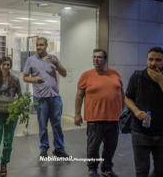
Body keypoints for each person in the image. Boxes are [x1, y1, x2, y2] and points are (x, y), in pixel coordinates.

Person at [74, 49, 124, 177]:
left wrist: (122, 111)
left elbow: (121, 94)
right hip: (95, 118)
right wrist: (77, 114)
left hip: (113, 118)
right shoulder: (86, 75)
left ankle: (106, 168)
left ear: (105, 60)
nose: (96, 59)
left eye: (99, 57)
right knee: (93, 147)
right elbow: (79, 96)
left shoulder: (115, 74)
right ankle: (92, 169)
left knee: (110, 146)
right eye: (94, 57)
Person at [22, 37, 68, 158]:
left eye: (41, 45)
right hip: (40, 98)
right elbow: (25, 77)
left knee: (57, 124)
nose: (38, 47)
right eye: (37, 45)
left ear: (46, 45)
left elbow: (64, 73)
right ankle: (44, 148)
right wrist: (35, 80)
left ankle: (59, 149)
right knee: (42, 125)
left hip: (55, 96)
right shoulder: (30, 60)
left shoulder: (53, 59)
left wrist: (56, 63)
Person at [125, 47, 163, 177]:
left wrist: (161, 81)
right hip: (140, 132)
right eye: (150, 59)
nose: (153, 63)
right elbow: (127, 98)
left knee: (161, 170)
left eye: (158, 60)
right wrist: (136, 111)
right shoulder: (137, 76)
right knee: (142, 170)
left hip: (161, 132)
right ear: (146, 60)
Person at [0, 56, 22, 176]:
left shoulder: (15, 80)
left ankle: (4, 164)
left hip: (11, 115)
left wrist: (20, 106)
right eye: (4, 64)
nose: (6, 67)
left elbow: (20, 96)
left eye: (8, 64)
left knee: (8, 141)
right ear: (0, 66)